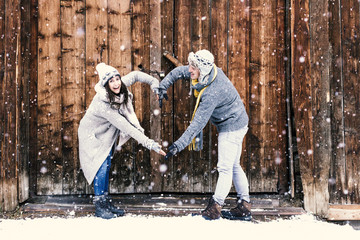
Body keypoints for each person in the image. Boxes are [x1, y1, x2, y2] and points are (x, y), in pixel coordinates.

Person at [157, 50, 251, 221]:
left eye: (193, 67)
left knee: (225, 168)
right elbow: (178, 72)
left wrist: (178, 144)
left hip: (232, 126)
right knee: (234, 165)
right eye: (190, 65)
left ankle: (215, 208)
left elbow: (197, 124)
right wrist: (163, 85)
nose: (189, 69)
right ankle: (245, 206)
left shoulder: (211, 92)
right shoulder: (209, 72)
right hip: (238, 121)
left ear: (202, 69)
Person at [78, 63, 166, 219]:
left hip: (105, 132)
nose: (116, 83)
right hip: (91, 134)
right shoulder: (103, 103)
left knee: (106, 164)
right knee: (101, 166)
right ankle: (100, 206)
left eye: (117, 79)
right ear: (106, 85)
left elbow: (136, 75)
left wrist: (154, 83)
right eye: (111, 81)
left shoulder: (120, 86)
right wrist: (150, 143)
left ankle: (105, 202)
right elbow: (128, 127)